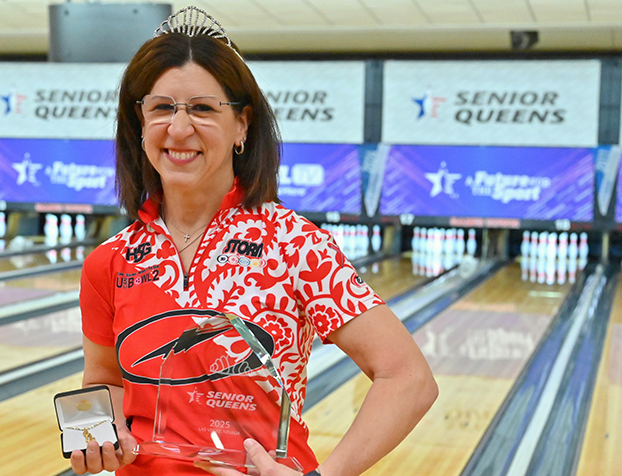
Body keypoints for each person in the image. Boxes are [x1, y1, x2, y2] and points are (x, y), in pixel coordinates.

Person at [73, 6, 438, 476]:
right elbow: (105, 380)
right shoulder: (110, 260)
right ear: (139, 122)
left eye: (202, 108)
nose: (179, 129)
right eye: (162, 107)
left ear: (242, 124)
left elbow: (408, 378)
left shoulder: (294, 244)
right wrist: (101, 433)